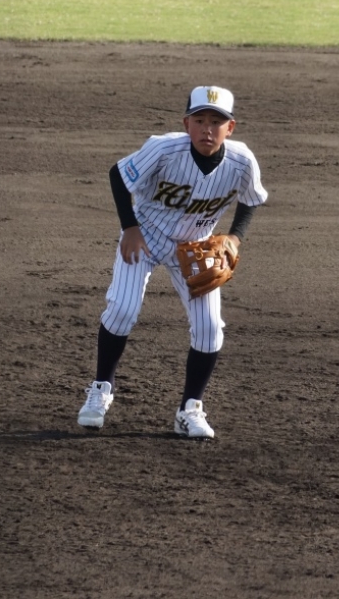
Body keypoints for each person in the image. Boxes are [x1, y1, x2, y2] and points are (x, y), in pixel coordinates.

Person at [77, 85, 268, 438]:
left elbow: (252, 197)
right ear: (186, 123)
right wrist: (130, 227)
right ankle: (101, 389)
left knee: (210, 328)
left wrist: (235, 237)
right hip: (146, 235)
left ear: (230, 128)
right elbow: (118, 175)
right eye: (200, 120)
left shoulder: (242, 160)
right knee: (122, 309)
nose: (207, 129)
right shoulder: (163, 149)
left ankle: (190, 409)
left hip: (197, 247)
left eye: (216, 122)